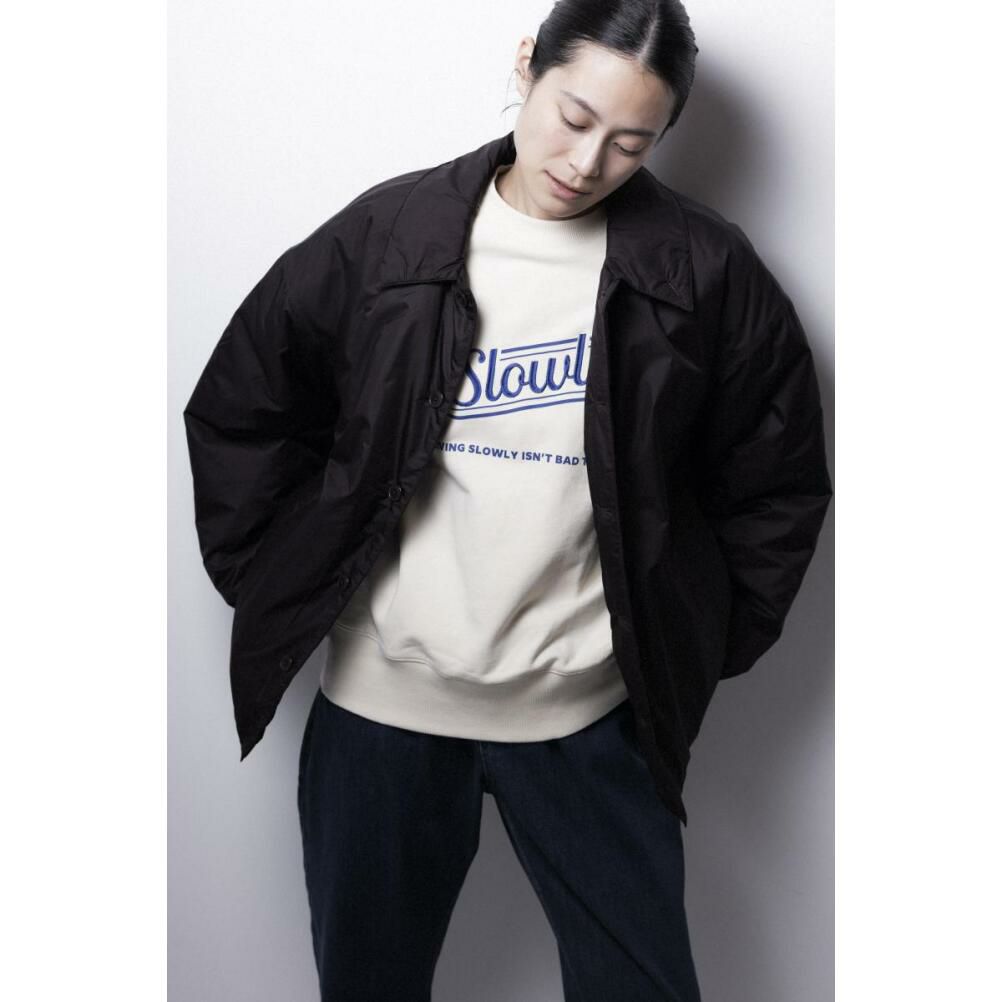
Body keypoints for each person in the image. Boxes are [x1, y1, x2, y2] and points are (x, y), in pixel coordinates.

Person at [183, 1, 832, 999]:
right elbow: (245, 409)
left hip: (589, 720)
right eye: (574, 117)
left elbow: (774, 480)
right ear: (528, 65)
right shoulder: (390, 237)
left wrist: (684, 637)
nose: (587, 162)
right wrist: (293, 580)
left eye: (630, 143)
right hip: (381, 715)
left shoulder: (705, 273)